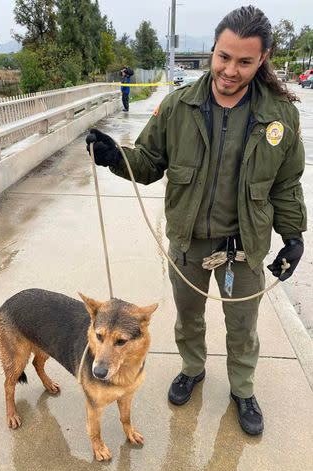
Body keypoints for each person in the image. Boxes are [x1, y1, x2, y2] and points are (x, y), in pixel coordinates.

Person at [86, 5, 307, 436]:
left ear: (262, 60)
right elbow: (148, 162)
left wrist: (293, 237)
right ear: (213, 50)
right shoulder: (178, 105)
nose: (230, 69)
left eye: (245, 61)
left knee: (243, 328)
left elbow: (287, 183)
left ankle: (243, 388)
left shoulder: (281, 115)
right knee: (188, 319)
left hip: (245, 246)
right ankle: (192, 369)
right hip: (189, 242)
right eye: (224, 56)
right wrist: (117, 157)